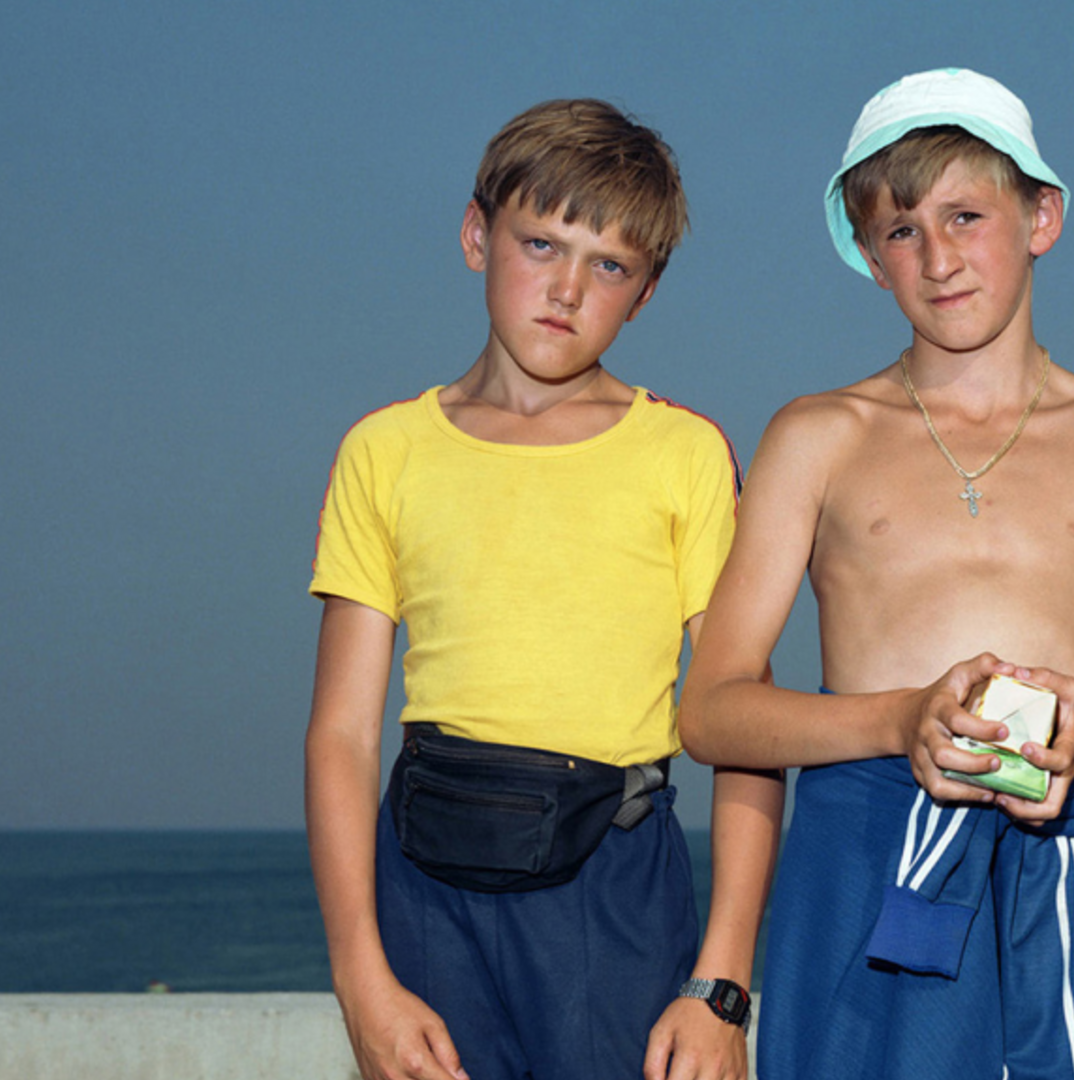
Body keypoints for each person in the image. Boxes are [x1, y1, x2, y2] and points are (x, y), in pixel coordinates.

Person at [679, 68, 1074, 1079]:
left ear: (1042, 217)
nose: (938, 257)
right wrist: (900, 720)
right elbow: (715, 710)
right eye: (902, 230)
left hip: (1073, 837)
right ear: (867, 253)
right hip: (863, 845)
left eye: (966, 215)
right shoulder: (818, 436)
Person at [305, 98, 781, 1080]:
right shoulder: (383, 451)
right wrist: (361, 978)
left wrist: (722, 986)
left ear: (645, 292)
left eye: (608, 265)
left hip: (614, 892)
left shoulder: (683, 454)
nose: (566, 289)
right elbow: (343, 734)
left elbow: (744, 725)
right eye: (542, 243)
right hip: (424, 891)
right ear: (478, 235)